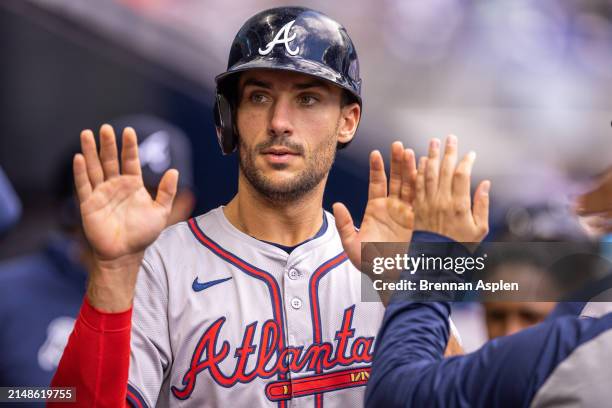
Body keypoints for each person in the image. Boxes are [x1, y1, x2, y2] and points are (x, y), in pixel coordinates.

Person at [51, 7, 463, 407]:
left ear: (348, 121)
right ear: (230, 117)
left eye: (307, 99)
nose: (280, 121)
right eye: (260, 96)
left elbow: (458, 397)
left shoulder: (382, 265)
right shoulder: (162, 264)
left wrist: (404, 285)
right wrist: (112, 270)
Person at [365, 139, 612, 408]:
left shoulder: (580, 355)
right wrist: (399, 276)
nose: (509, 333)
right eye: (496, 315)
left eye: (529, 316)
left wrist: (431, 256)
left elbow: (398, 395)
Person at [0, 115, 195, 402]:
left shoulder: (206, 303)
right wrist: (60, 396)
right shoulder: (8, 293)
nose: (137, 210)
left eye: (157, 195)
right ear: (78, 197)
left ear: (185, 205)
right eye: (120, 192)